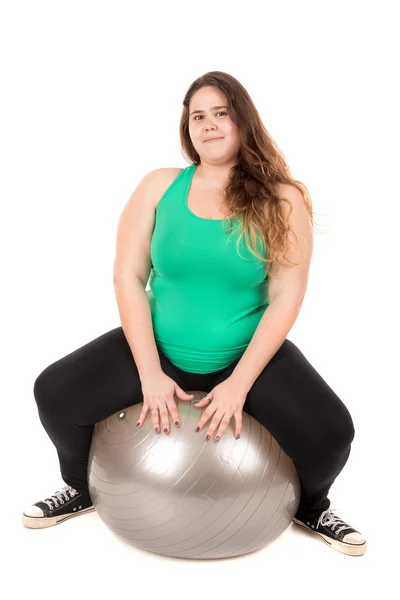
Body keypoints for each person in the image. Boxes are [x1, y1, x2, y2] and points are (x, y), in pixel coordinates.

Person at [22, 70, 366, 557]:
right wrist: (149, 373)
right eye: (197, 116)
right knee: (54, 391)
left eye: (221, 113)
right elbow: (127, 277)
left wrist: (238, 385)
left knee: (333, 431)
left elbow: (288, 295)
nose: (208, 125)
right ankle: (80, 487)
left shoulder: (282, 199)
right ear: (188, 128)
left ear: (244, 122)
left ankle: (312, 507)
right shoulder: (159, 186)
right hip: (157, 348)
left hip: (244, 354)